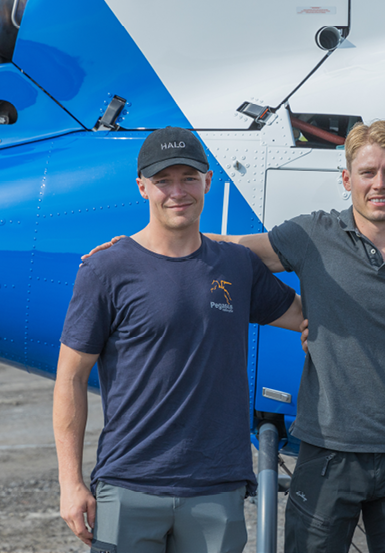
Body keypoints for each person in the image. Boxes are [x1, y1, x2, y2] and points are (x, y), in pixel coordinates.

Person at [85, 120, 385, 552]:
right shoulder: (313, 235)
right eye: (367, 172)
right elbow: (234, 249)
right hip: (327, 450)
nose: (380, 184)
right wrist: (143, 248)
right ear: (346, 179)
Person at [54, 126, 304, 553]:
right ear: (142, 187)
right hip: (129, 483)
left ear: (208, 181)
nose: (177, 191)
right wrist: (70, 483)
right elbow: (71, 378)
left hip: (216, 487)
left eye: (188, 178)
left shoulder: (237, 266)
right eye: (163, 180)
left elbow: (307, 316)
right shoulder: (106, 270)